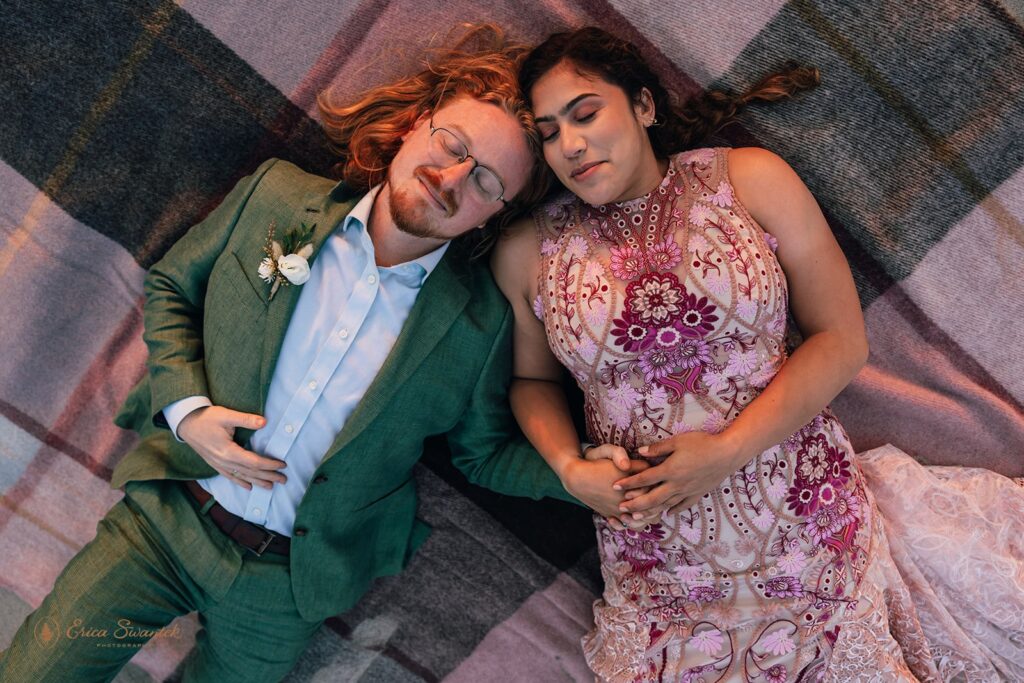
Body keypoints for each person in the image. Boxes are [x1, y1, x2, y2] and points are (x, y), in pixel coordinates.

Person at [0, 25, 639, 682]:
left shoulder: (476, 330)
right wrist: (189, 409)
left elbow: (484, 453)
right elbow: (170, 285)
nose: (451, 177)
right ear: (416, 125)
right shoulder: (275, 197)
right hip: (164, 523)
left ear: (494, 216)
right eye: (451, 145)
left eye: (484, 181)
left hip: (284, 584)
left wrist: (577, 475)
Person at [492, 26, 1024, 682]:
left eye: (585, 113)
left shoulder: (747, 180)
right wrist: (569, 467)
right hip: (660, 566)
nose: (569, 145)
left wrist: (724, 451)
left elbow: (841, 339)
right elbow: (529, 379)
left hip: (803, 520)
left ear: (643, 105)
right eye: (548, 132)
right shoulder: (529, 251)